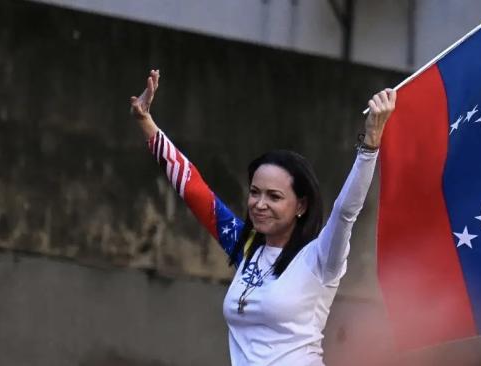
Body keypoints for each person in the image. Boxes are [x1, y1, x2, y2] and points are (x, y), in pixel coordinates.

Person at [130, 69, 396, 366]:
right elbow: (195, 191)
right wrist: (145, 121)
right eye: (255, 192)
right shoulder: (245, 246)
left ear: (301, 205)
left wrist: (370, 144)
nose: (259, 204)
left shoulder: (320, 257)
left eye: (274, 196)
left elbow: (346, 211)